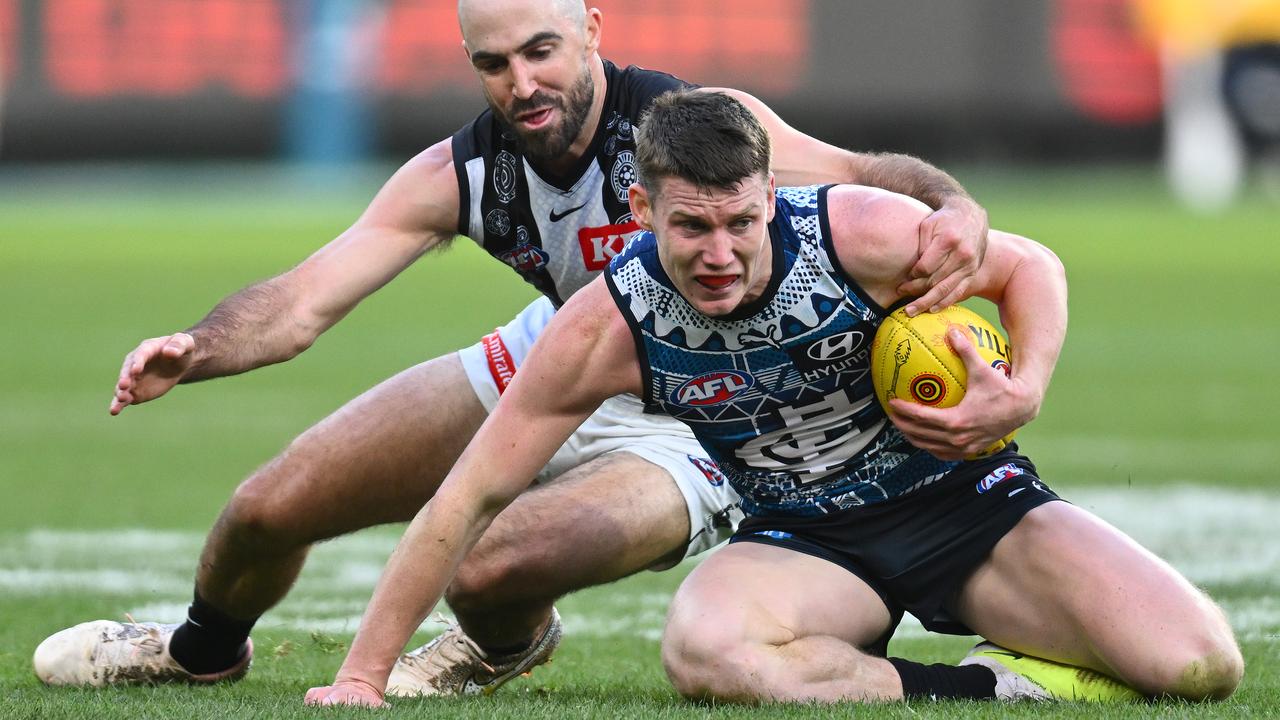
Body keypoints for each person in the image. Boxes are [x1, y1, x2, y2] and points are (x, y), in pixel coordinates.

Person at [33, 0, 993, 694]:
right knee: (266, 509)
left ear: (591, 32)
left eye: (542, 51)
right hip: (564, 359)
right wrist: (197, 347)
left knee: (488, 568)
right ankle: (201, 655)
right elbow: (302, 301)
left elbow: (869, 176)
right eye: (495, 63)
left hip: (710, 410)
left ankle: (500, 643)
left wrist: (952, 208)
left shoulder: (691, 132)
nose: (522, 84)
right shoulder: (466, 169)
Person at [303, 89, 1243, 707]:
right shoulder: (605, 327)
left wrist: (1023, 391)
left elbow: (1032, 266)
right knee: (705, 651)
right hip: (808, 542)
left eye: (741, 223)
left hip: (963, 508)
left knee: (1198, 666)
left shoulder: (859, 233)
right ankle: (982, 689)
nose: (720, 254)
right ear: (642, 211)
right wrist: (360, 677)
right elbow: (467, 496)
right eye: (691, 228)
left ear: (769, 197)